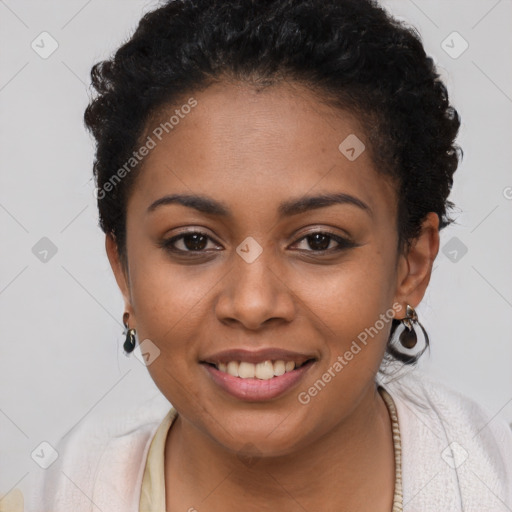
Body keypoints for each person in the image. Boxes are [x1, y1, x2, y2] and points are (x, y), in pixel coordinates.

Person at [30, 0, 512, 510]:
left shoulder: (489, 483)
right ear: (123, 270)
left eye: (318, 241)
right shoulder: (61, 494)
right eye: (193, 241)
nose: (253, 304)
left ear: (410, 266)